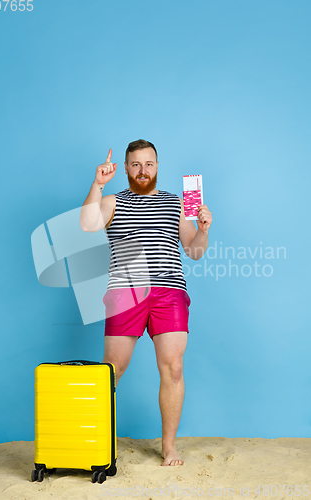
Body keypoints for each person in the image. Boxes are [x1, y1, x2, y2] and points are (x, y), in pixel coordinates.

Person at [80, 139, 212, 466]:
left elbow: (194, 251)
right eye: (136, 164)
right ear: (126, 168)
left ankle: (169, 447)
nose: (143, 171)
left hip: (169, 292)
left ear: (157, 167)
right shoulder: (112, 201)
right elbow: (87, 225)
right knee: (112, 370)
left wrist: (204, 230)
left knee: (174, 367)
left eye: (149, 164)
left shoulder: (174, 203)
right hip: (126, 292)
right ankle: (93, 439)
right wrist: (97, 185)